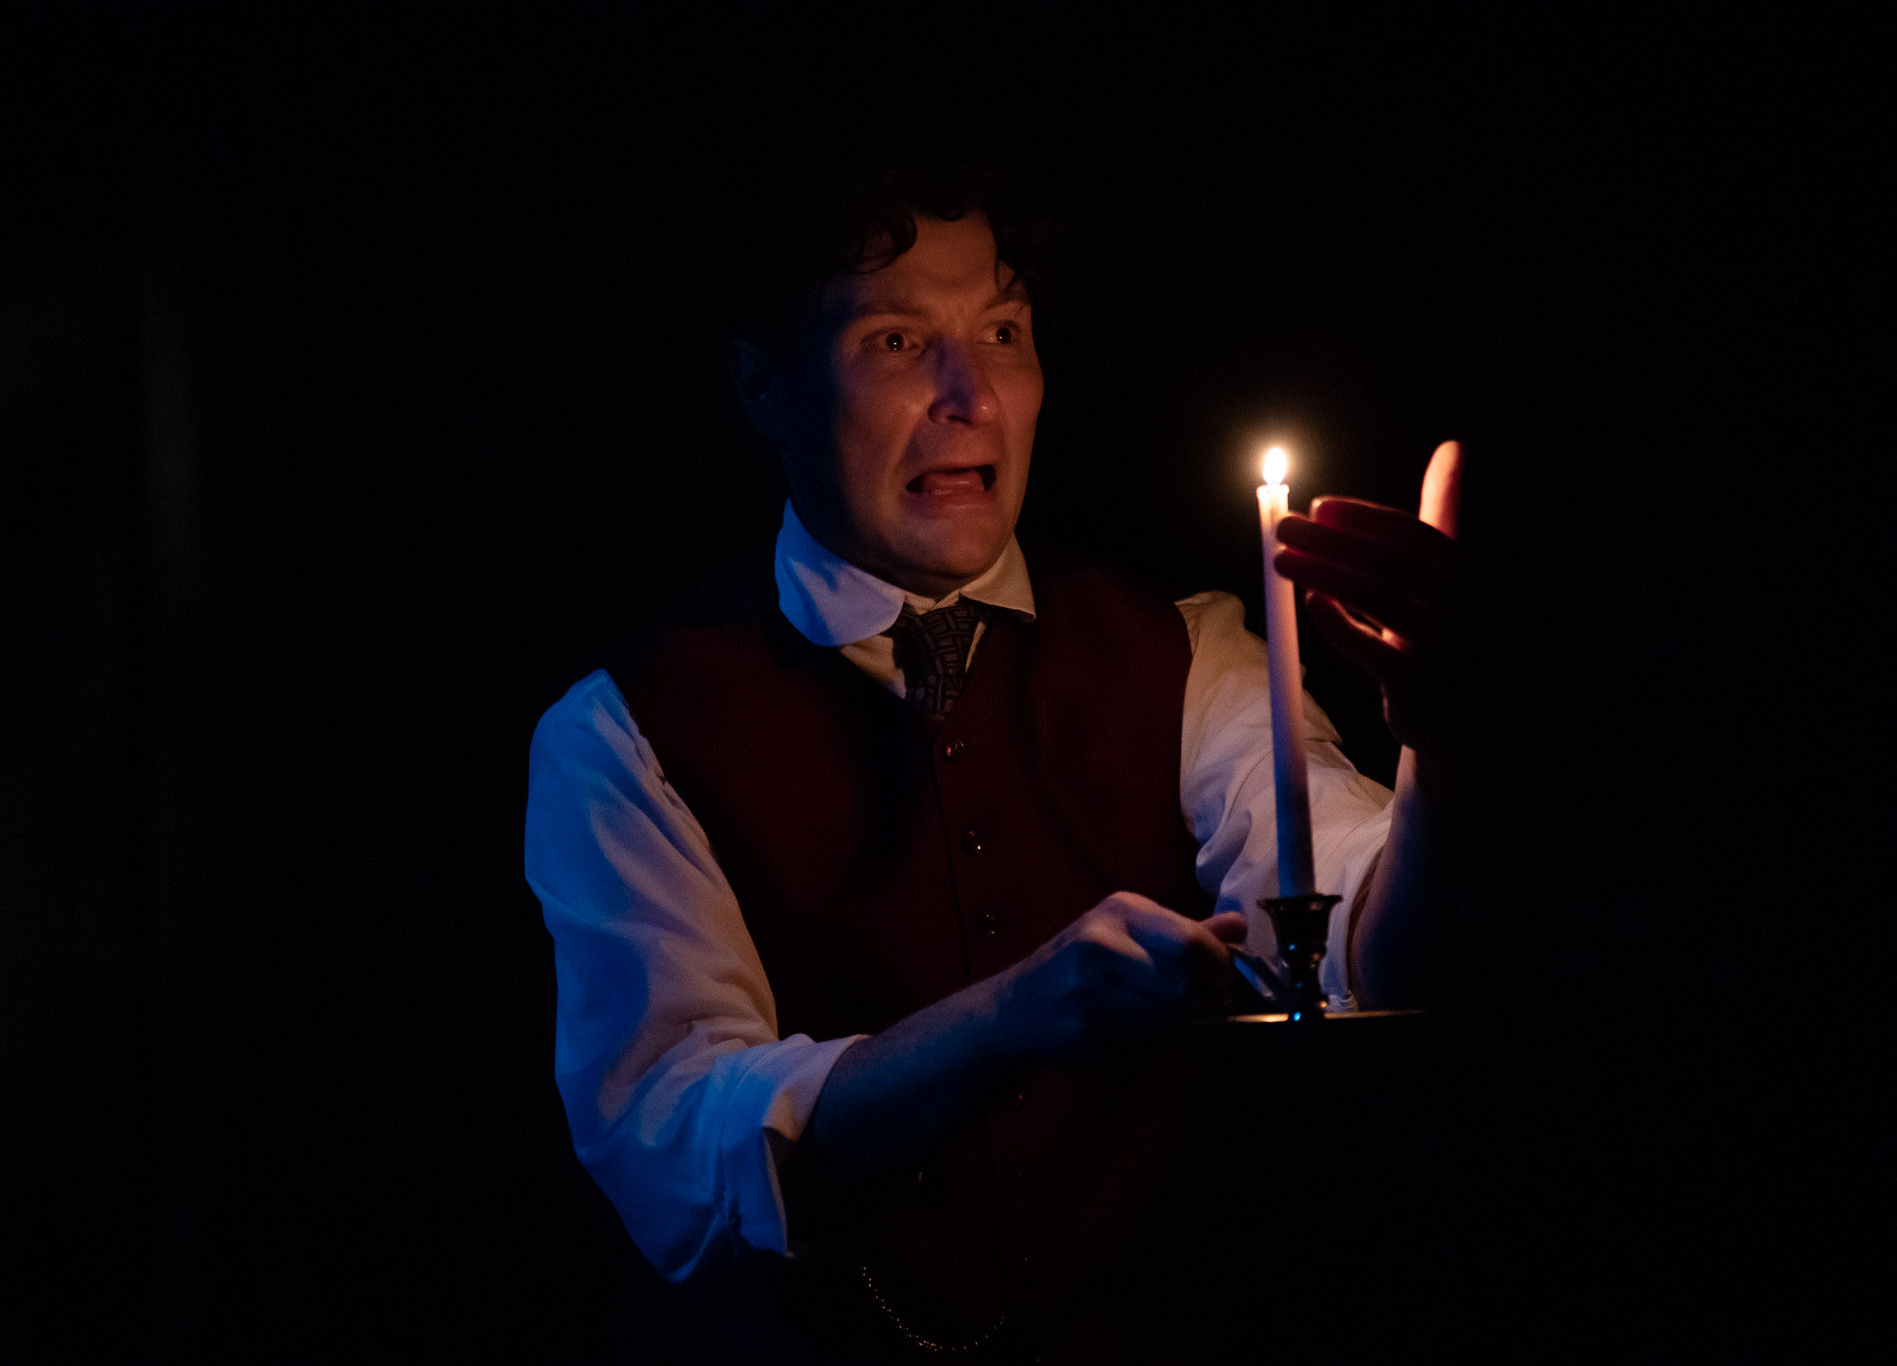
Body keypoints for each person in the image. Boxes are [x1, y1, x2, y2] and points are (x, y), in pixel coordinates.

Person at [524, 163, 1465, 1362]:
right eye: (897, 337)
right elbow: (676, 1147)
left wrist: (1444, 741)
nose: (970, 395)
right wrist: (1008, 1016)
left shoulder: (1187, 653)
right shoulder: (625, 732)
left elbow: (1369, 957)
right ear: (764, 386)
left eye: (1003, 332)